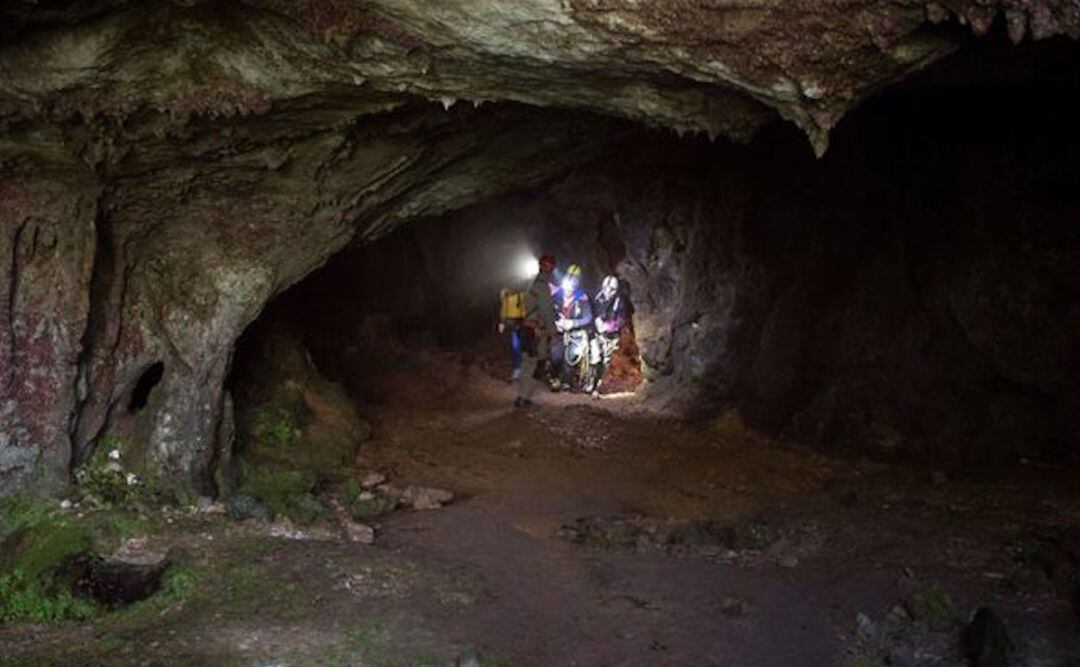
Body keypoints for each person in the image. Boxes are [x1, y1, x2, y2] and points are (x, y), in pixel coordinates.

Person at [515, 254, 558, 408]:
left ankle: (522, 396)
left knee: (527, 362)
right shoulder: (542, 286)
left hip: (525, 327)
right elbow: (546, 311)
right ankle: (524, 399)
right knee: (534, 363)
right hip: (536, 330)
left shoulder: (529, 282)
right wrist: (553, 333)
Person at [552, 264, 593, 391]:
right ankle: (555, 377)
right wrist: (555, 323)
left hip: (575, 333)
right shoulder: (557, 295)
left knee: (572, 355)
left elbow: (588, 317)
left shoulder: (582, 297)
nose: (568, 291)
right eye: (567, 288)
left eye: (572, 288)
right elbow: (548, 312)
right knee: (556, 355)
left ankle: (566, 381)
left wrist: (572, 323)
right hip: (558, 332)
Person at [588, 275, 626, 397]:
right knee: (595, 357)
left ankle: (600, 383)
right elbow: (589, 312)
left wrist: (609, 326)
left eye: (612, 290)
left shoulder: (620, 302)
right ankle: (590, 382)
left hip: (611, 336)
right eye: (606, 289)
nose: (608, 292)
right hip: (596, 334)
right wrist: (595, 322)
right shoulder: (596, 298)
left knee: (606, 361)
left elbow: (622, 319)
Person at [498, 287, 526, 381]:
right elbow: (504, 308)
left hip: (523, 321)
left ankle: (524, 369)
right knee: (515, 346)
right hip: (513, 323)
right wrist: (502, 322)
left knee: (523, 346)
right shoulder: (505, 293)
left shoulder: (523, 293)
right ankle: (517, 368)